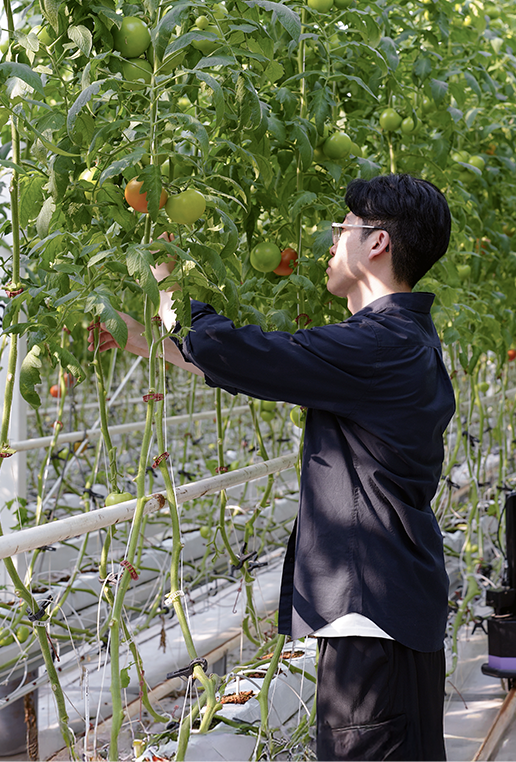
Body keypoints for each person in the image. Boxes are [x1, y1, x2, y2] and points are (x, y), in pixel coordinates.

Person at [91, 173, 454, 760]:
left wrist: (165, 262)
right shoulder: (396, 342)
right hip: (389, 614)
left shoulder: (381, 346)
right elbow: (242, 365)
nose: (330, 246)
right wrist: (131, 335)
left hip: (373, 621)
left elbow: (235, 352)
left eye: (342, 232)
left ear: (377, 243)